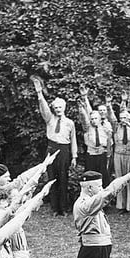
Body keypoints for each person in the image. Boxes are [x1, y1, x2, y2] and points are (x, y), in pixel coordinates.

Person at [32, 76, 77, 216]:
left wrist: (74, 156)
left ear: (64, 108)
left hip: (64, 150)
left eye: (60, 107)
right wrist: (39, 94)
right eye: (56, 107)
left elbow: (73, 140)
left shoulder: (70, 123)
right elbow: (44, 108)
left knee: (63, 178)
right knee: (52, 178)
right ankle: (54, 208)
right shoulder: (49, 119)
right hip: (52, 149)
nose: (58, 109)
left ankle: (63, 208)